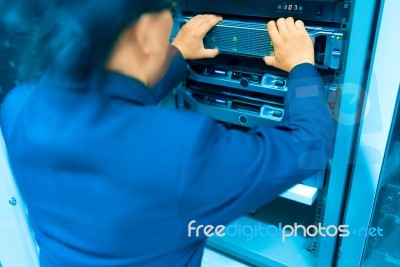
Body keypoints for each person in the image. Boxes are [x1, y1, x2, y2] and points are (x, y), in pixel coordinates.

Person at [0, 0, 334, 266]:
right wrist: (301, 65)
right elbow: (311, 143)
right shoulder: (184, 148)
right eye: (170, 12)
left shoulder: (18, 107)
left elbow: (107, 107)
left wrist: (175, 54)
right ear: (145, 30)